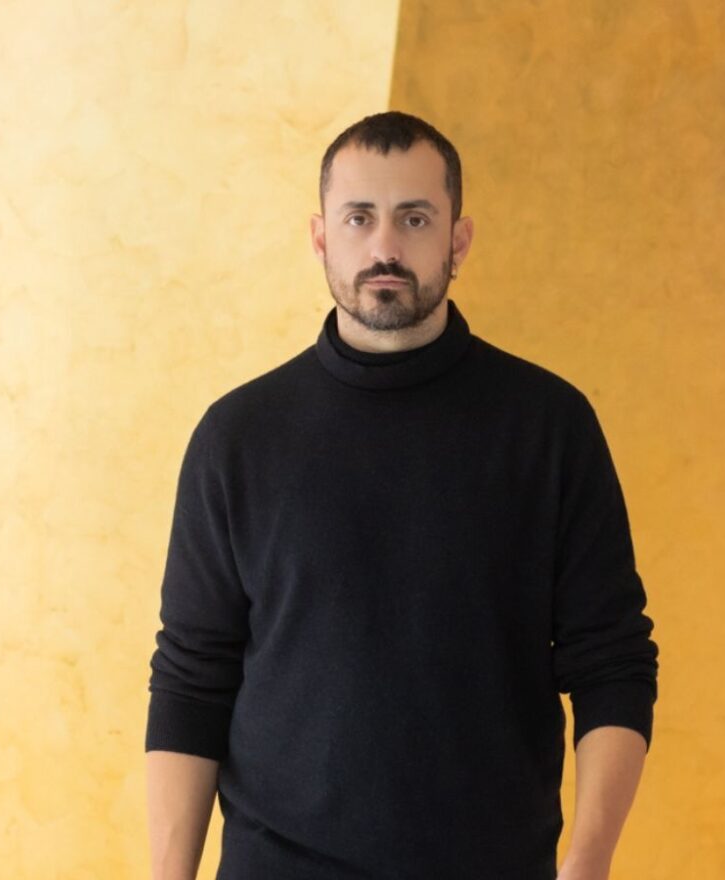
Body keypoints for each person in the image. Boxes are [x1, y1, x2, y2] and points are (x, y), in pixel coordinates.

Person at [145, 111, 659, 880]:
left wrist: (585, 867)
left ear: (458, 238)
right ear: (321, 237)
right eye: (361, 218)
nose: (385, 247)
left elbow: (612, 660)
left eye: (414, 218)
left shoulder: (548, 427)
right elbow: (192, 677)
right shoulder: (238, 437)